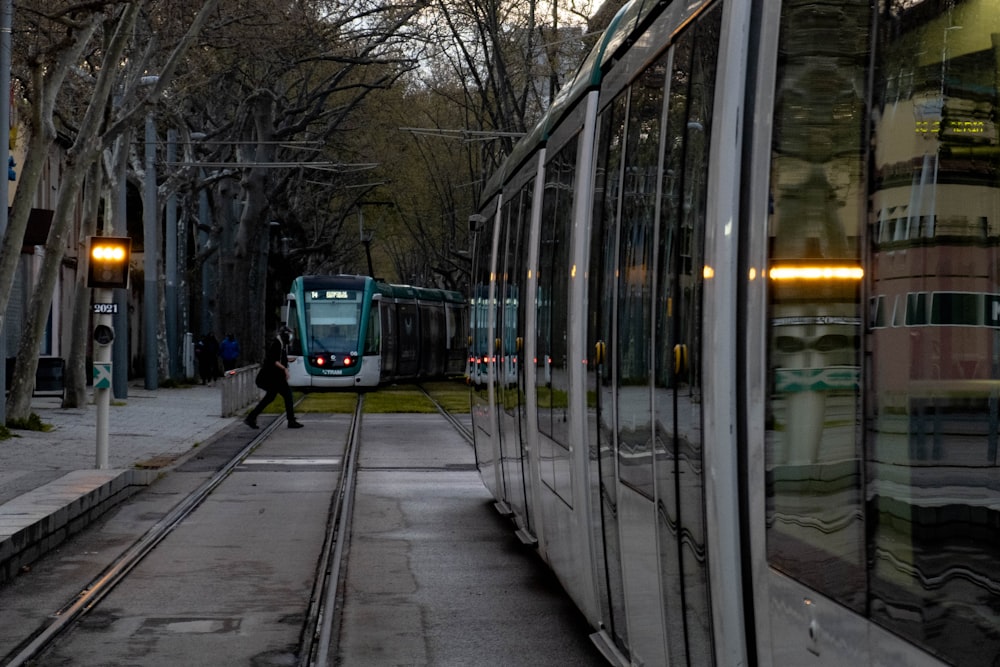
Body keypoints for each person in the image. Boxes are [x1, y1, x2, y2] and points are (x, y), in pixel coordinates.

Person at [244, 326, 303, 429]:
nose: (291, 337)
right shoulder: (277, 344)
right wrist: (285, 369)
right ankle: (291, 420)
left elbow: (279, 358)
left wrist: (287, 360)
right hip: (272, 377)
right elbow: (273, 360)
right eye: (289, 335)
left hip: (274, 377)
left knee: (270, 398)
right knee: (288, 396)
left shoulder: (282, 344)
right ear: (285, 335)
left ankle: (251, 418)